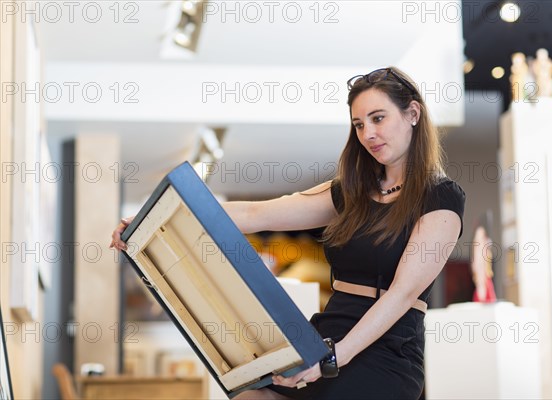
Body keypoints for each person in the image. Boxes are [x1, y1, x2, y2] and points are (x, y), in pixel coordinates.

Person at [111, 66, 466, 400]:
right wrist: (147, 221)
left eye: (378, 118)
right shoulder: (350, 191)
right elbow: (256, 213)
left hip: (386, 351)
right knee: (249, 394)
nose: (368, 133)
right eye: (358, 124)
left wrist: (332, 358)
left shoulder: (441, 197)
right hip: (326, 334)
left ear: (413, 114)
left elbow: (402, 294)